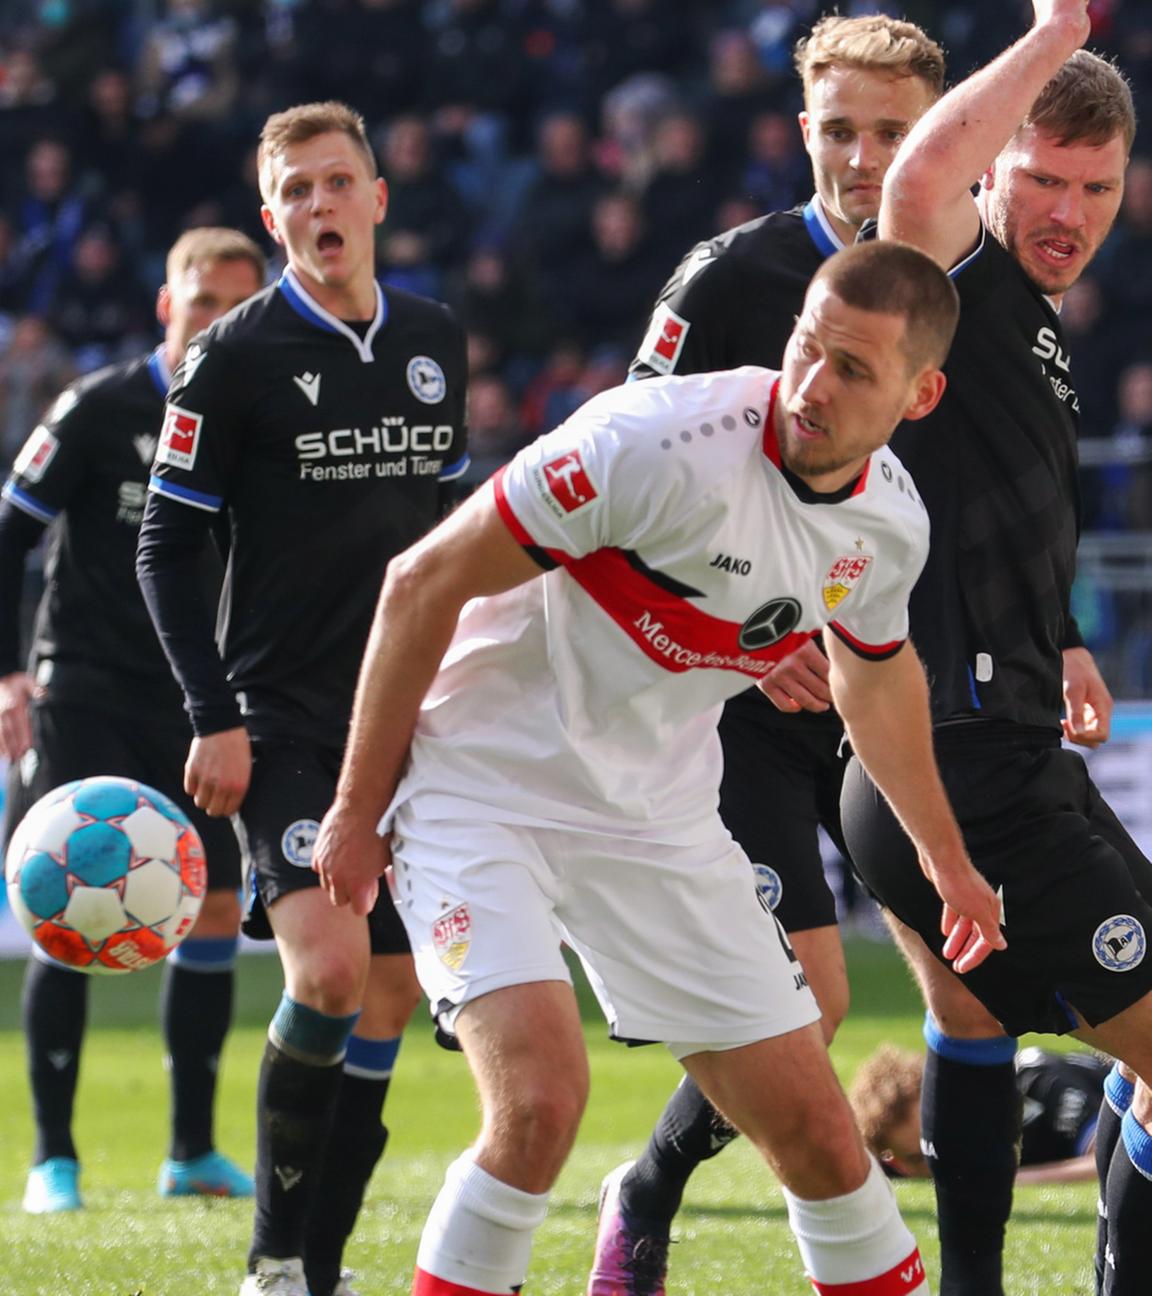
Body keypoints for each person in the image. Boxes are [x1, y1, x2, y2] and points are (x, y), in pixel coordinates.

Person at [312, 239, 1005, 1296]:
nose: (812, 387)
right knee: (540, 1102)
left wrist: (947, 863)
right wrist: (358, 812)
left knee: (823, 1138)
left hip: (655, 816)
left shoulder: (888, 526)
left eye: (854, 371)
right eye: (807, 350)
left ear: (922, 393)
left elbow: (877, 680)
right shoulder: (657, 442)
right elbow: (420, 582)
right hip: (478, 783)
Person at [592, 16, 945, 1294]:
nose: (862, 157)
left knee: (959, 989)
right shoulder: (724, 277)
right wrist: (745, 643)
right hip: (738, 694)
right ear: (801, 128)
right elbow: (617, 482)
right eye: (839, 128)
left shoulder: (969, 283)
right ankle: (650, 1187)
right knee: (816, 996)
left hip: (890, 679)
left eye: (892, 133)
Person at [837, 5, 1150, 1293]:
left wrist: (1061, 637)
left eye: (1098, 185)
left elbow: (976, 516)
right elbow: (914, 181)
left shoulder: (1030, 324)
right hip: (962, 767)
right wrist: (1056, 31)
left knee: (1056, 1039)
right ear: (992, 176)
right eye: (1041, 179)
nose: (1069, 209)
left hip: (1000, 750)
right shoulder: (951, 286)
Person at [135, 102, 469, 1296]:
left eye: (339, 183)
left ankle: (317, 1264)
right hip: (280, 720)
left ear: (378, 197)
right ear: (271, 216)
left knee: (386, 998)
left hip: (413, 725)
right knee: (327, 974)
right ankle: (273, 1259)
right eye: (296, 192)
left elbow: (451, 536)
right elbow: (165, 547)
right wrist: (210, 712)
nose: (320, 207)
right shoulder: (232, 357)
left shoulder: (435, 338)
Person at [0, 225, 265, 1214]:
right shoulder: (97, 409)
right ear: (167, 305)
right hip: (85, 690)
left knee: (216, 910)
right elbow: (9, 533)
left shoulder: (260, 420)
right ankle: (52, 1160)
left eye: (235, 308)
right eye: (200, 303)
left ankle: (191, 1151)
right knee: (63, 906)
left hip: (202, 703)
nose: (213, 325)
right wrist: (7, 677)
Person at [850, 1043, 1111, 1186]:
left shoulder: (1035, 1082)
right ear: (898, 1164)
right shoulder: (892, 1166)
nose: (942, 1159)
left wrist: (1007, 1182)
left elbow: (1105, 1160)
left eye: (941, 1138)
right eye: (921, 1158)